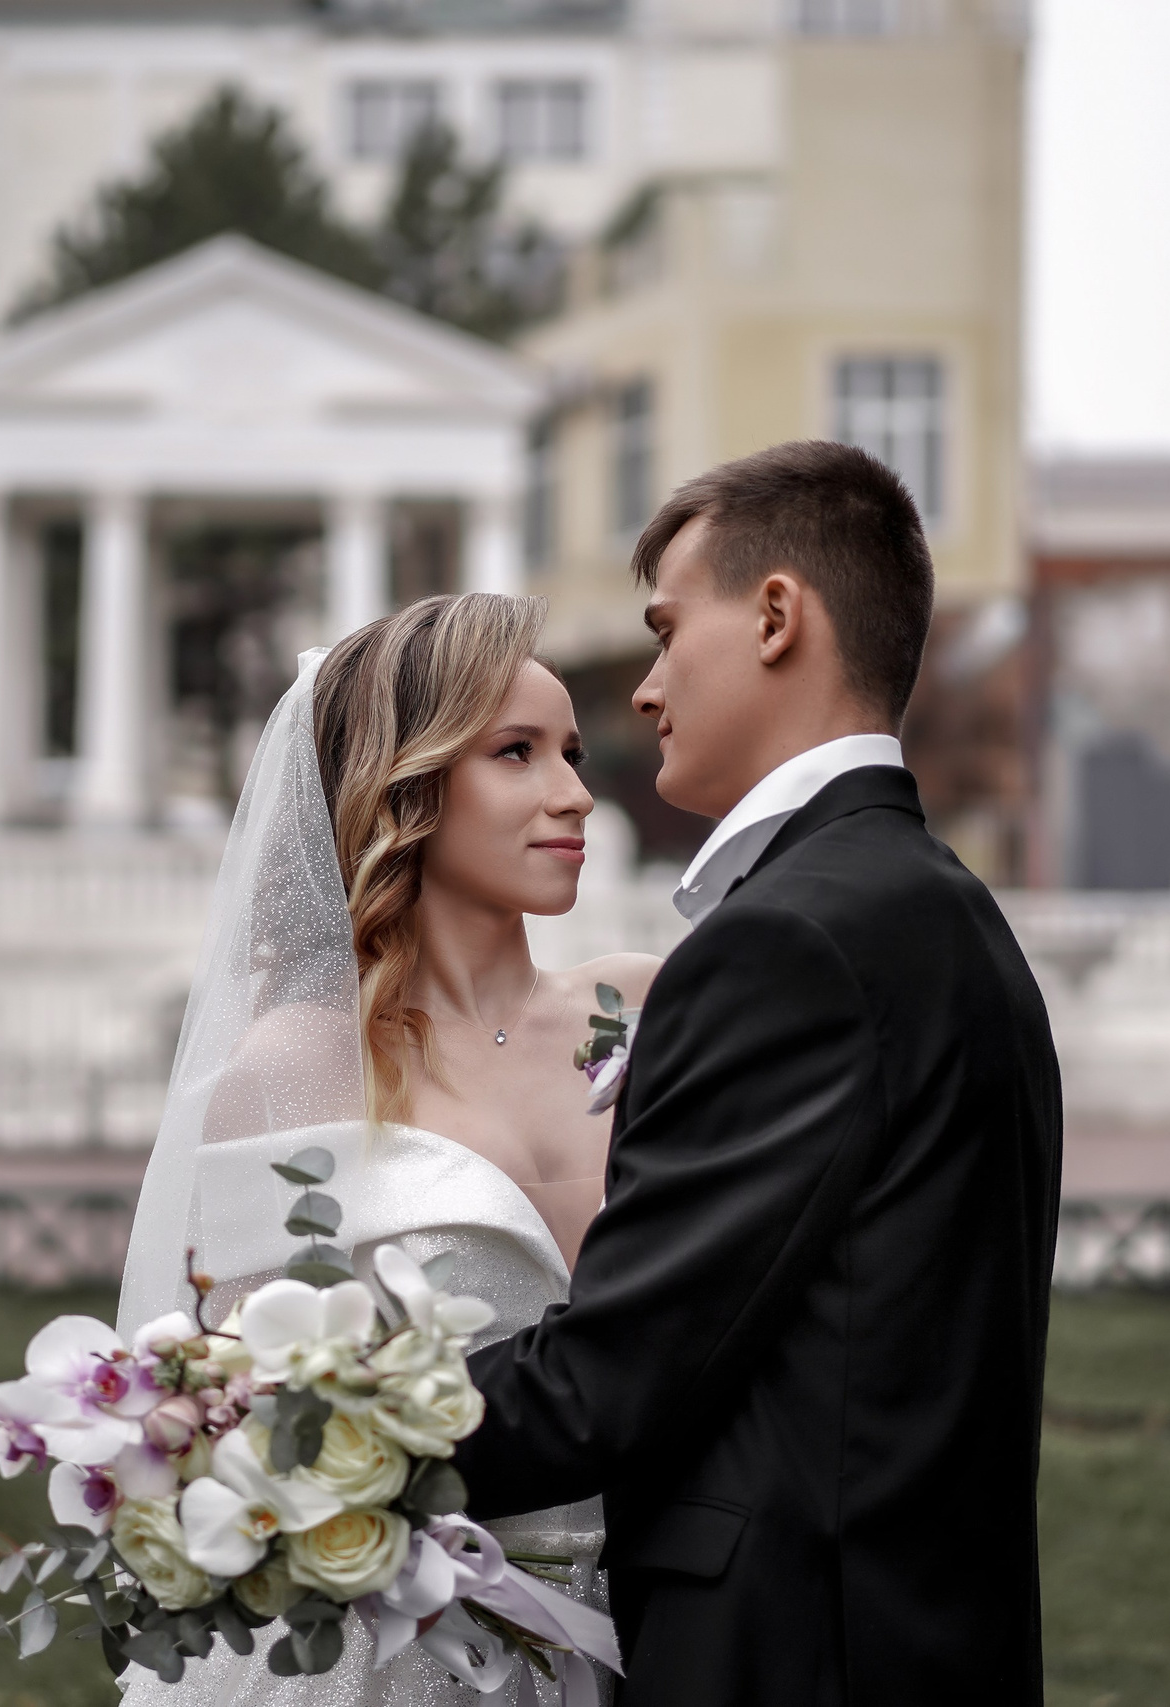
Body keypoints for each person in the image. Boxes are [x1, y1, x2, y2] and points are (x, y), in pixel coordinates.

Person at [452, 440, 1064, 1705]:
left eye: (670, 631)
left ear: (778, 615)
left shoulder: (791, 940)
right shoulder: (940, 911)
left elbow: (610, 1380)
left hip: (795, 1655)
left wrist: (296, 1432)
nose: (649, 687)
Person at [115, 591, 654, 1704]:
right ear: (404, 782)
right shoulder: (295, 1067)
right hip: (400, 1660)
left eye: (572, 752)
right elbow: (251, 1426)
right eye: (516, 753)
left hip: (670, 1621)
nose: (575, 794)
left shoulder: (643, 1009)